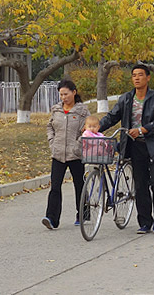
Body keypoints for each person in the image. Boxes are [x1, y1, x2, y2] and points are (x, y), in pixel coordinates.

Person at [98, 64, 154, 234]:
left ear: (148, 77)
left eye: (140, 75)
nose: (136, 78)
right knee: (140, 186)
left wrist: (142, 129)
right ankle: (145, 222)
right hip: (135, 146)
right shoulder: (126, 98)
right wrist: (95, 129)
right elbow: (112, 117)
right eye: (134, 75)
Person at [43, 79, 90, 229]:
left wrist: (78, 145)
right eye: (61, 95)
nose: (63, 97)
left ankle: (83, 213)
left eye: (66, 94)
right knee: (55, 186)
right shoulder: (56, 109)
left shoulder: (82, 111)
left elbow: (88, 130)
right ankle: (51, 218)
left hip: (75, 154)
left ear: (74, 92)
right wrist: (52, 141)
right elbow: (50, 127)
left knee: (79, 184)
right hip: (58, 154)